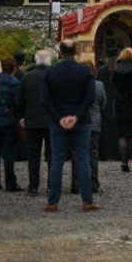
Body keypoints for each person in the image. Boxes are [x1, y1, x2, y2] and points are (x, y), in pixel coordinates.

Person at [41, 40, 98, 213]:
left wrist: (59, 118)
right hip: (81, 122)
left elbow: (45, 100)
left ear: (60, 52)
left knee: (57, 160)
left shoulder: (50, 72)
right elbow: (90, 97)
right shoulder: (85, 72)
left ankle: (53, 201)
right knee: (82, 159)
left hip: (58, 123)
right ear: (76, 51)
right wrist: (76, 116)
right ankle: (87, 200)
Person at [16, 50, 52, 196]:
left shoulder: (27, 77)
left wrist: (22, 116)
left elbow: (19, 99)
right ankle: (51, 185)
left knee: (33, 155)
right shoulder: (53, 75)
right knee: (52, 155)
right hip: (51, 120)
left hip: (32, 120)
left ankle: (33, 185)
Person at [0, 58, 23, 193]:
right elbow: (17, 103)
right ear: (13, 68)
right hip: (8, 120)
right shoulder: (15, 84)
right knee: (9, 153)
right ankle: (10, 182)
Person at [72, 61, 104, 195]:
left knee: (77, 154)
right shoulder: (99, 85)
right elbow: (103, 103)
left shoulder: (75, 85)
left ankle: (76, 184)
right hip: (95, 122)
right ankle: (93, 183)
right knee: (93, 154)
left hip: (79, 121)